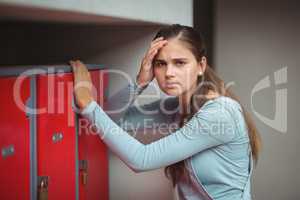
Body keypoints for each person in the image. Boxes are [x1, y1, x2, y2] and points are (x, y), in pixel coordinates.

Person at [70, 24, 261, 200]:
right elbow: (111, 118)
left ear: (200, 66)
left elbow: (141, 159)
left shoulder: (219, 114)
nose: (169, 72)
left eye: (180, 63)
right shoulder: (177, 107)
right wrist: (139, 82)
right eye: (161, 64)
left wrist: (87, 102)